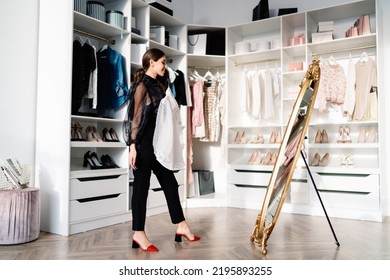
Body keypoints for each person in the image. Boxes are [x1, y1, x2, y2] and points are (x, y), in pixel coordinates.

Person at [128, 48, 200, 252]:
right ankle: (138, 233)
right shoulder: (141, 86)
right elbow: (134, 118)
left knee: (169, 182)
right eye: (162, 63)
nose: (165, 66)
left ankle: (181, 225)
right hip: (143, 144)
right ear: (151, 62)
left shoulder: (161, 84)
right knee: (141, 188)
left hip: (159, 143)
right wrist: (132, 146)